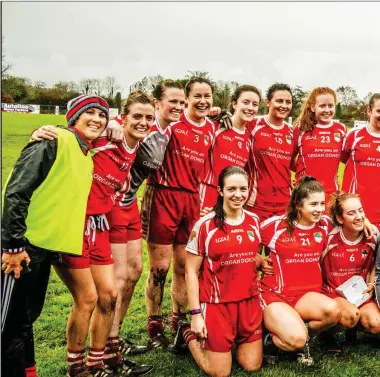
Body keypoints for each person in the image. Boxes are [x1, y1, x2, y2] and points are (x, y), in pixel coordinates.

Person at [31, 91, 154, 377]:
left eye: (148, 117)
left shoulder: (135, 146)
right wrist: (41, 131)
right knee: (86, 299)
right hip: (73, 225)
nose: (144, 122)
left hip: (99, 226)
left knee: (109, 295)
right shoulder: (104, 139)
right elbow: (72, 134)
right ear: (123, 117)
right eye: (137, 116)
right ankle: (76, 367)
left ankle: (98, 361)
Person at [1, 95, 109, 377]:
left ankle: (28, 371)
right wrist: (12, 245)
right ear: (73, 117)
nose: (97, 119)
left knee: (25, 319)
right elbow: (15, 192)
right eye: (91, 113)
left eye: (102, 115)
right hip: (20, 249)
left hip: (42, 251)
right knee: (8, 325)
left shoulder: (86, 155)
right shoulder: (53, 140)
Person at [106, 80, 186, 354]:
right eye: (172, 101)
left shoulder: (165, 131)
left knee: (133, 273)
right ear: (158, 103)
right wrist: (110, 122)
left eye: (181, 102)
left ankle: (114, 338)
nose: (177, 106)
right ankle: (104, 344)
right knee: (117, 278)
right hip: (112, 204)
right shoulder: (137, 124)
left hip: (129, 204)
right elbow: (100, 127)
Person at [141, 77, 216, 347]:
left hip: (191, 201)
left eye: (208, 96)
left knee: (185, 266)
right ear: (187, 98)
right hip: (162, 194)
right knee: (160, 268)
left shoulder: (212, 128)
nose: (203, 101)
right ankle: (154, 324)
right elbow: (137, 126)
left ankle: (178, 318)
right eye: (197, 96)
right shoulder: (170, 123)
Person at [175, 166, 269, 377]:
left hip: (249, 302)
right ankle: (187, 333)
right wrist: (195, 314)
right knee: (220, 372)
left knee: (252, 365)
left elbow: (246, 254)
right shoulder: (205, 225)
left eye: (243, 189)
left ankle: (228, 342)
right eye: (232, 189)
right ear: (220, 190)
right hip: (217, 306)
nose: (238, 195)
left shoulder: (254, 221)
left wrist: (261, 261)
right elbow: (190, 271)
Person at [259, 177, 341, 364]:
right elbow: (244, 237)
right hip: (276, 295)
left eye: (322, 203)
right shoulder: (275, 226)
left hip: (306, 296)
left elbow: (351, 218)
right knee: (295, 339)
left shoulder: (325, 224)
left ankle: (302, 337)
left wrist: (367, 223)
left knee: (333, 311)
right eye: (313, 204)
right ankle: (270, 340)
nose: (319, 209)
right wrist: (259, 260)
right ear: (298, 205)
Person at [320, 192, 380, 349]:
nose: (359, 216)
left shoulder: (372, 236)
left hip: (360, 295)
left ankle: (353, 330)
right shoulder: (328, 237)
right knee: (350, 315)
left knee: (376, 323)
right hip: (333, 294)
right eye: (351, 213)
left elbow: (375, 263)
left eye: (361, 211)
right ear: (340, 218)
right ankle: (327, 334)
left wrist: (372, 284)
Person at [200, 85, 260, 210]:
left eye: (255, 104)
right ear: (234, 104)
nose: (250, 108)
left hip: (231, 197)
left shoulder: (249, 137)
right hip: (208, 192)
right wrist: (208, 115)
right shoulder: (217, 125)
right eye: (245, 102)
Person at [245, 83, 294, 221]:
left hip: (285, 203)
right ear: (267, 102)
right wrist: (217, 113)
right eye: (279, 101)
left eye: (288, 102)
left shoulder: (293, 132)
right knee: (255, 243)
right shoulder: (252, 124)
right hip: (256, 202)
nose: (284, 105)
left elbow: (295, 163)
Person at [292, 87, 346, 205]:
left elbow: (345, 159)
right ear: (312, 107)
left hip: (331, 195)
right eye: (322, 106)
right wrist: (302, 176)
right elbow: (289, 158)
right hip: (305, 193)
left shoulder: (341, 129)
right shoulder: (301, 128)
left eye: (330, 106)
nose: (327, 110)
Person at [341, 93, 380, 230]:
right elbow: (342, 158)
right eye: (379, 111)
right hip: (355, 212)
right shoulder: (354, 135)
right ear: (369, 111)